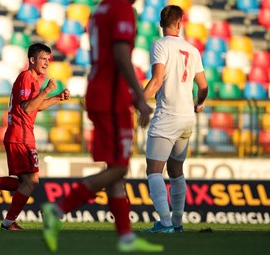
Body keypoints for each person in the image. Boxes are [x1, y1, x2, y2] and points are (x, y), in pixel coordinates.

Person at [40, 0, 164, 253]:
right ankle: (57, 210)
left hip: (99, 90)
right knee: (119, 168)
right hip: (111, 97)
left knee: (115, 169)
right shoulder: (121, 9)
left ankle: (126, 238)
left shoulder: (100, 10)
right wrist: (139, 98)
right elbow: (120, 55)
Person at [0, 43, 70, 230]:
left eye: (48, 59)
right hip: (21, 136)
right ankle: (8, 222)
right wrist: (47, 90)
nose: (46, 63)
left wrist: (57, 98)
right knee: (32, 181)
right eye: (42, 59)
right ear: (32, 60)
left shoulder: (32, 79)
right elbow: (27, 108)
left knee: (24, 183)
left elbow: (35, 105)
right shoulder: (26, 78)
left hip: (20, 134)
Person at [142, 5, 208, 233]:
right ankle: (178, 223)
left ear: (161, 23)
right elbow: (204, 86)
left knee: (153, 170)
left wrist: (138, 102)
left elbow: (157, 80)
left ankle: (166, 223)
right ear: (180, 23)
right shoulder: (193, 49)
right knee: (176, 171)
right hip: (187, 117)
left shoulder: (160, 46)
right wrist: (199, 103)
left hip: (167, 116)